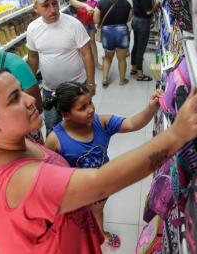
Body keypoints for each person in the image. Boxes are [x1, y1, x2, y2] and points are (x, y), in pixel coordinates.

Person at [0, 67, 197, 253]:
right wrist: (174, 136)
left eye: (21, 90)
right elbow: (101, 182)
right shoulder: (24, 179)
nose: (31, 99)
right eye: (14, 99)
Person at [43, 82, 162, 248]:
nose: (91, 109)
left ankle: (101, 232)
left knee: (98, 210)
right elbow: (49, 173)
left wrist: (151, 108)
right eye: (82, 107)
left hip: (102, 184)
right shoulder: (55, 139)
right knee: (80, 218)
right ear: (65, 114)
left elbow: (133, 123)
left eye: (90, 102)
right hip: (76, 190)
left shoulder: (101, 123)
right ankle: (87, 237)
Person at [27, 0, 96, 134]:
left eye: (54, 3)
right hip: (50, 90)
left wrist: (90, 84)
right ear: (35, 8)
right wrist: (29, 87)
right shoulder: (33, 28)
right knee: (52, 127)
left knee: (83, 124)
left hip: (77, 88)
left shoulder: (73, 24)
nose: (52, 9)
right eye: (46, 5)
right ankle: (56, 157)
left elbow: (87, 54)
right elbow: (32, 58)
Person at [94, 0, 133, 86]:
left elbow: (95, 20)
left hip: (107, 32)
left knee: (107, 57)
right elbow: (128, 18)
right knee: (121, 59)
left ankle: (104, 78)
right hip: (122, 32)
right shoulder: (126, 4)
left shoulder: (101, 3)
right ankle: (122, 80)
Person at [130, 0, 160, 81]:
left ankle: (133, 68)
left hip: (135, 20)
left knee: (136, 45)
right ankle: (140, 74)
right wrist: (156, 5)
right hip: (143, 22)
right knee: (141, 49)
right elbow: (148, 11)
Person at [69, 0, 102, 69]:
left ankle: (96, 63)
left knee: (92, 40)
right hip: (79, 16)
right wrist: (85, 5)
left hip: (90, 14)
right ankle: (85, 65)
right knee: (82, 43)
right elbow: (72, 1)